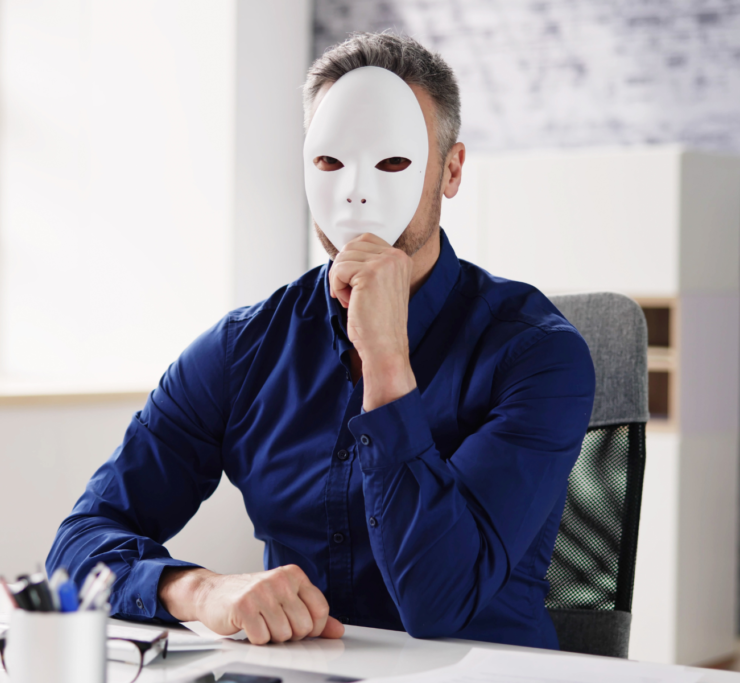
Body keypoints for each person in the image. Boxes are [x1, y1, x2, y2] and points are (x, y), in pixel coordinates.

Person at [47, 32, 595, 650]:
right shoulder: (242, 350)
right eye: (331, 162)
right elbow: (77, 548)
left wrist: (386, 364)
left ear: (451, 170)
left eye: (392, 162)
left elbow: (439, 602)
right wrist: (200, 591)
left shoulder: (539, 357)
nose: (357, 191)